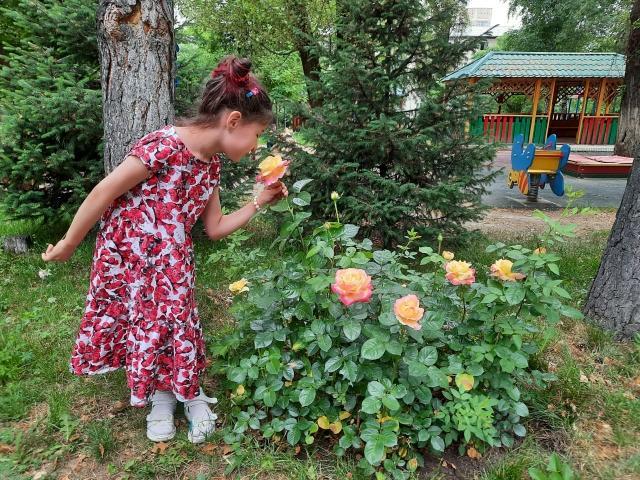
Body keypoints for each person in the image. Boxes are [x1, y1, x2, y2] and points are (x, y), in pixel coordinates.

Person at [41, 56, 288, 444]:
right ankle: (159, 399)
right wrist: (70, 243)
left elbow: (216, 228)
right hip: (131, 258)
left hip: (172, 263)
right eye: (258, 135)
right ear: (234, 121)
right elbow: (105, 190)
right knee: (147, 327)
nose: (257, 147)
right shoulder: (164, 146)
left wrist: (258, 202)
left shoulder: (210, 167)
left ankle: (190, 396)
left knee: (177, 324)